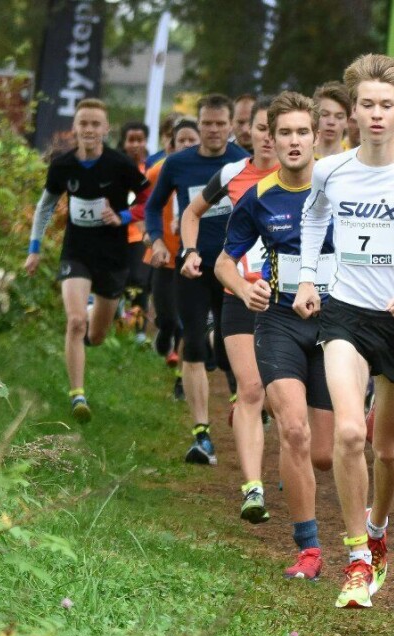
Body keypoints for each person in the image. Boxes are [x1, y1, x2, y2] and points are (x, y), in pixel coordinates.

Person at [294, 53, 394, 610]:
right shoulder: (330, 170)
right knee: (348, 434)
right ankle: (357, 554)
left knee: (388, 452)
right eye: (367, 104)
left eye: (387, 105)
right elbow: (313, 217)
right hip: (345, 315)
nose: (377, 114)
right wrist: (311, 276)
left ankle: (380, 529)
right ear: (353, 110)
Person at [218, 91, 336, 579]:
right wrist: (245, 290)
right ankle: (308, 548)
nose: (292, 141)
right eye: (281, 132)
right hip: (281, 321)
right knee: (292, 430)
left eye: (301, 132)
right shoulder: (260, 196)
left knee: (328, 452)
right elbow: (227, 261)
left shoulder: (340, 186)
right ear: (267, 136)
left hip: (336, 325)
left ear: (316, 136)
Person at [181, 96, 280, 518]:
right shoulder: (232, 173)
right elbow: (191, 211)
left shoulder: (314, 176)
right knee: (251, 388)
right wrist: (189, 250)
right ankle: (252, 487)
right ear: (250, 132)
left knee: (280, 395)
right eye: (262, 129)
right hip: (239, 293)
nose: (270, 138)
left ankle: (281, 440)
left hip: (289, 300)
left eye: (280, 130)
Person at [24, 98, 150, 422]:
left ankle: (96, 314)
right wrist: (34, 249)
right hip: (76, 252)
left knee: (96, 335)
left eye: (96, 124)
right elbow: (45, 206)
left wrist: (122, 215)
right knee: (75, 322)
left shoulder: (120, 164)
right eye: (84, 123)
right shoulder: (63, 165)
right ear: (75, 128)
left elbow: (150, 198)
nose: (90, 129)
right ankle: (77, 395)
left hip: (112, 256)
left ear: (106, 129)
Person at [145, 94, 248, 465]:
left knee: (227, 345)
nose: (214, 130)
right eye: (207, 123)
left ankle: (243, 404)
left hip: (234, 268)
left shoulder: (243, 162)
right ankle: (201, 433)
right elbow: (153, 206)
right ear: (198, 124)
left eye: (221, 123)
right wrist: (156, 239)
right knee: (192, 343)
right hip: (192, 267)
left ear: (232, 126)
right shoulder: (177, 163)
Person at [144, 120, 201, 393]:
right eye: (182, 141)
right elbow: (144, 205)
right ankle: (163, 331)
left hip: (195, 257)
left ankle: (182, 380)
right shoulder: (160, 171)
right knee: (166, 316)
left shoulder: (212, 174)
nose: (188, 146)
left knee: (187, 321)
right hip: (165, 255)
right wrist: (151, 235)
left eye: (193, 140)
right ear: (172, 145)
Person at [117, 121, 154, 344]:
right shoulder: (114, 166)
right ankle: (119, 326)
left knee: (139, 281)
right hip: (114, 235)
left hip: (141, 234)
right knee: (119, 281)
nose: (135, 145)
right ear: (123, 142)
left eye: (140, 140)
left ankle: (139, 331)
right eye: (131, 140)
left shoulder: (149, 170)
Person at [313, 81, 351, 159]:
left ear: (347, 122)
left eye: (339, 117)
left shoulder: (354, 163)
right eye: (325, 115)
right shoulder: (300, 160)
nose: (331, 122)